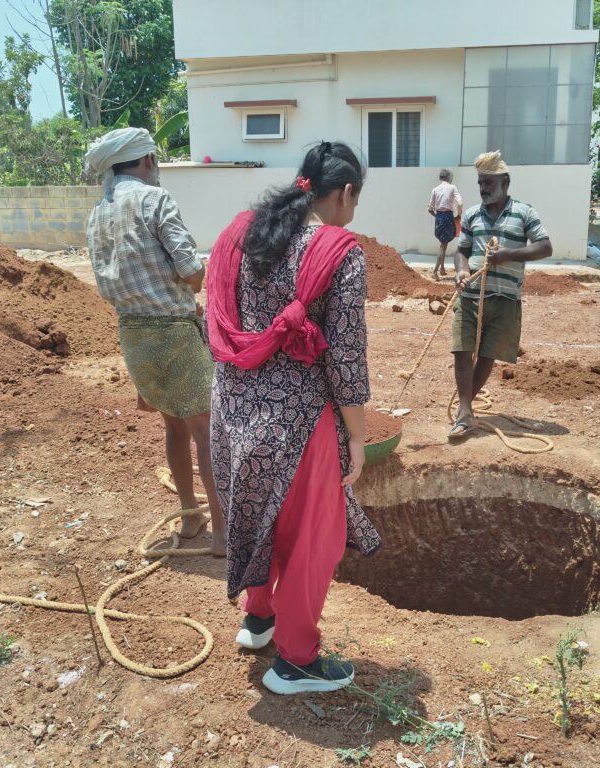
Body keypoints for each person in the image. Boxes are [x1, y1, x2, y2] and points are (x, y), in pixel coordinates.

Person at [207, 142, 381, 695]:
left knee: (256, 511)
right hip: (296, 423)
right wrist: (357, 437)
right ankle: (296, 662)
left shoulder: (239, 234)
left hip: (233, 414)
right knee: (312, 535)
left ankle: (259, 618)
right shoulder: (338, 253)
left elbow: (217, 315)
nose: (353, 211)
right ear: (345, 192)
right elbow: (346, 356)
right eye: (356, 200)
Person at [84, 127, 227, 554]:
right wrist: (198, 277)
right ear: (148, 160)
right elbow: (191, 271)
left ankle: (191, 517)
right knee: (206, 431)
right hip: (175, 332)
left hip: (133, 335)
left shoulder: (97, 213)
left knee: (174, 427)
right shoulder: (155, 200)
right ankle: (224, 534)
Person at [449, 150, 552, 439]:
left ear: (505, 182)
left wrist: (509, 255)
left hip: (506, 299)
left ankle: (465, 409)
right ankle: (464, 412)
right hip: (471, 295)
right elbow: (461, 251)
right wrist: (461, 270)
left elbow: (545, 247)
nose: (482, 188)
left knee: (487, 355)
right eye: (480, 183)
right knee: (461, 349)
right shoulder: (472, 214)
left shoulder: (525, 213)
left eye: (488, 183)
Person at [427, 169, 463, 280]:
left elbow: (429, 209)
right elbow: (460, 202)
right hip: (448, 217)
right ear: (448, 177)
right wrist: (459, 215)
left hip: (439, 217)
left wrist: (437, 217)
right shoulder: (452, 188)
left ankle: (442, 269)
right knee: (443, 246)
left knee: (443, 244)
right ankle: (435, 272)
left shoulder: (435, 189)